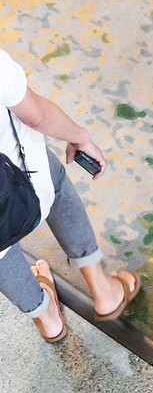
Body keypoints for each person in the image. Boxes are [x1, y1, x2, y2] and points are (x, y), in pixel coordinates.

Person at [0, 47, 140, 342]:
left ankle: (47, 319)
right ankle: (103, 290)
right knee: (55, 188)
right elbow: (39, 116)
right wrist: (80, 138)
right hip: (25, 183)